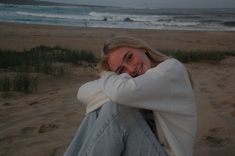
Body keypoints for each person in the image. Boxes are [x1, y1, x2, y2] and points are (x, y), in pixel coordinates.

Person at [64, 36, 197, 156]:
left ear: (142, 48)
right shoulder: (136, 84)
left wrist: (107, 74)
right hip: (144, 146)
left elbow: (119, 93)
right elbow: (82, 92)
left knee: (117, 108)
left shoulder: (171, 69)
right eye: (121, 70)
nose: (131, 69)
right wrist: (113, 79)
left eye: (129, 57)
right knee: (98, 110)